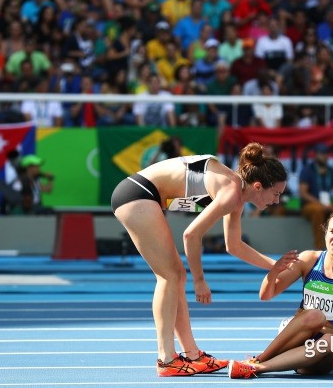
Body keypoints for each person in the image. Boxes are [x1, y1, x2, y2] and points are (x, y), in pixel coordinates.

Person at [110, 142, 288, 377]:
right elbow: (191, 234)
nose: (276, 201)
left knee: (175, 277)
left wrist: (276, 266)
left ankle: (192, 355)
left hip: (141, 195)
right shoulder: (231, 191)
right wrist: (200, 280)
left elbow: (233, 245)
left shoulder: (237, 195)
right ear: (258, 186)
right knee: (171, 276)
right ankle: (166, 359)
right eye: (276, 194)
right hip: (137, 194)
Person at [227, 209, 333, 379]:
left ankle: (258, 368)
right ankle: (258, 361)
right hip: (296, 338)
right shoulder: (309, 259)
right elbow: (265, 295)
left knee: (330, 340)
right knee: (315, 315)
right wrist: (274, 271)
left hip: (326, 352)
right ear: (325, 233)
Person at [298, 144, 333, 250]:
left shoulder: (332, 171)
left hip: (328, 205)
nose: (324, 156)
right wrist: (320, 204)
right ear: (316, 155)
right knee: (318, 210)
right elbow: (303, 193)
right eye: (321, 154)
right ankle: (319, 249)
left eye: (326, 154)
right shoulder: (307, 170)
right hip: (311, 206)